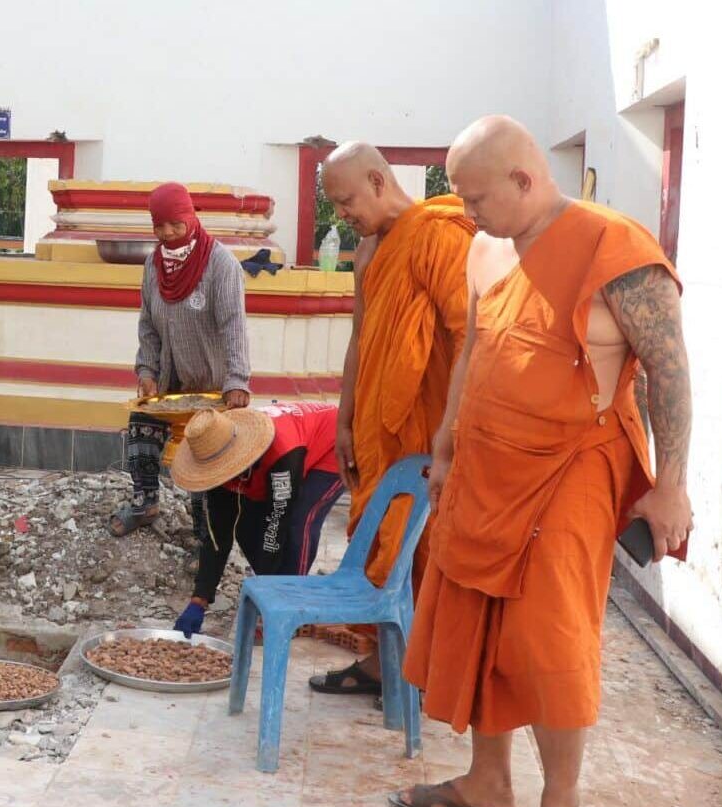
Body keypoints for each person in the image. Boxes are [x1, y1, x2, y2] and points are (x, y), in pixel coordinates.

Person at [391, 115, 692, 807]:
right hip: (483, 469)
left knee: (548, 638)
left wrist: (670, 485)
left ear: (524, 179)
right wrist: (444, 447)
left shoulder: (613, 248)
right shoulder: (486, 250)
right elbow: (475, 351)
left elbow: (669, 370)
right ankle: (488, 785)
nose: (468, 215)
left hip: (571, 470)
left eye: (477, 199)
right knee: (477, 624)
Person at [307, 142, 473, 697]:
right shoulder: (367, 251)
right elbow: (360, 338)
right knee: (375, 536)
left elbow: (468, 338)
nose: (342, 214)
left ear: (378, 180)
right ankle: (379, 666)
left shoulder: (439, 235)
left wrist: (451, 436)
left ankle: (429, 675)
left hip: (428, 428)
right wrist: (345, 421)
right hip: (379, 432)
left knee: (420, 547)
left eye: (346, 200)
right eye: (333, 205)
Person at [113, 182, 252, 540]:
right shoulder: (153, 265)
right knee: (141, 423)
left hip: (212, 385)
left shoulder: (221, 265)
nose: (168, 234)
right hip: (170, 380)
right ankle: (146, 503)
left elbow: (233, 325)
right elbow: (149, 326)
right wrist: (146, 372)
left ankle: (205, 536)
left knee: (204, 460)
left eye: (176, 224)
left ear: (190, 218)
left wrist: (237, 381)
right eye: (159, 226)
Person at [169, 403, 345, 637]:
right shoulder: (216, 453)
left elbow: (277, 525)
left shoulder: (283, 457)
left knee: (299, 522)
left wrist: (268, 594)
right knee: (246, 527)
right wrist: (199, 600)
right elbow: (217, 535)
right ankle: (274, 595)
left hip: (332, 446)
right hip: (283, 452)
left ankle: (289, 608)